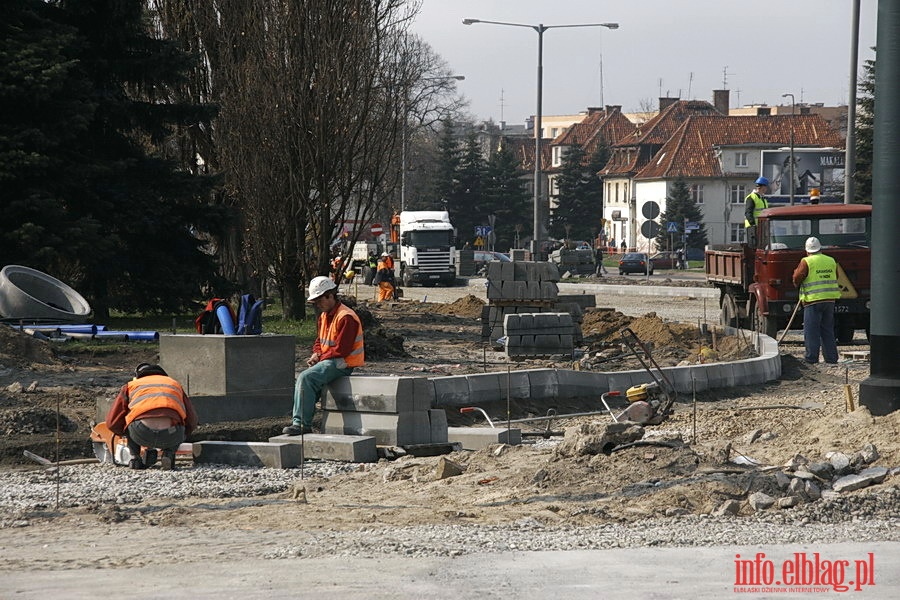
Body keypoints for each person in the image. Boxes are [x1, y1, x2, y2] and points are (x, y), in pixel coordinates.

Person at [283, 276, 364, 435]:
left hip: (344, 363)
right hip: (332, 359)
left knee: (306, 378)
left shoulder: (346, 317)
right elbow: (320, 340)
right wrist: (316, 353)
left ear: (331, 295)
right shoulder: (324, 316)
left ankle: (300, 424)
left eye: (320, 300)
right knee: (306, 378)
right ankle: (303, 418)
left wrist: (320, 357)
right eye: (316, 302)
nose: (318, 305)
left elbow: (342, 349)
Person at [105, 363, 198, 470]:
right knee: (180, 424)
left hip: (141, 432)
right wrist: (185, 433)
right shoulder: (174, 384)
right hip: (171, 433)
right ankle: (169, 454)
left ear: (138, 375)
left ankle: (135, 458)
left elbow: (112, 422)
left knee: (129, 421)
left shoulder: (131, 386)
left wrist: (124, 433)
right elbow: (192, 420)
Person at [792, 237, 841, 364]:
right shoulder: (831, 260)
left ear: (807, 250)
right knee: (827, 329)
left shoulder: (806, 261)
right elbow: (837, 276)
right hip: (830, 300)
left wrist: (796, 280)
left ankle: (811, 358)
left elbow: (797, 277)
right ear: (820, 248)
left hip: (813, 300)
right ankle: (831, 358)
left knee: (811, 330)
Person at [744, 176, 770, 247]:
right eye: (766, 187)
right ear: (762, 187)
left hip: (762, 227)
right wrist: (753, 225)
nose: (766, 189)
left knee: (763, 247)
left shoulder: (763, 198)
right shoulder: (751, 198)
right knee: (756, 247)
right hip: (753, 227)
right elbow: (748, 213)